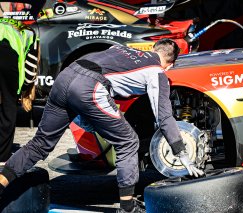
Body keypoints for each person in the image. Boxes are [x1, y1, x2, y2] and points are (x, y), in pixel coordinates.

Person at [0, 39, 204, 212]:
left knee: (40, 143)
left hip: (66, 76)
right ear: (170, 64)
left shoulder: (120, 48)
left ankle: (1, 183)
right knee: (128, 141)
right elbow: (165, 118)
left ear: (153, 49)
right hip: (89, 87)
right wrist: (183, 156)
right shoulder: (157, 73)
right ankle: (128, 207)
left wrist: (87, 116)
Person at [0, 17, 39, 162]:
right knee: (9, 105)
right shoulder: (30, 33)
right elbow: (31, 65)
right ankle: (2, 154)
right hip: (8, 56)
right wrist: (24, 89)